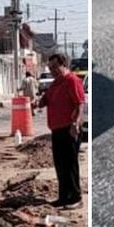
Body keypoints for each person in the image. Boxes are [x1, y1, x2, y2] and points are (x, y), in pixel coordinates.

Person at [35, 53, 85, 209]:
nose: (53, 70)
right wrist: (38, 102)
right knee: (60, 165)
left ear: (64, 64)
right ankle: (63, 197)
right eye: (50, 68)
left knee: (70, 165)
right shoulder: (56, 83)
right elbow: (46, 100)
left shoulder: (72, 81)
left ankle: (75, 197)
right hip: (56, 130)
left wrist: (75, 124)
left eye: (55, 67)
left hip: (69, 129)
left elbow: (79, 104)